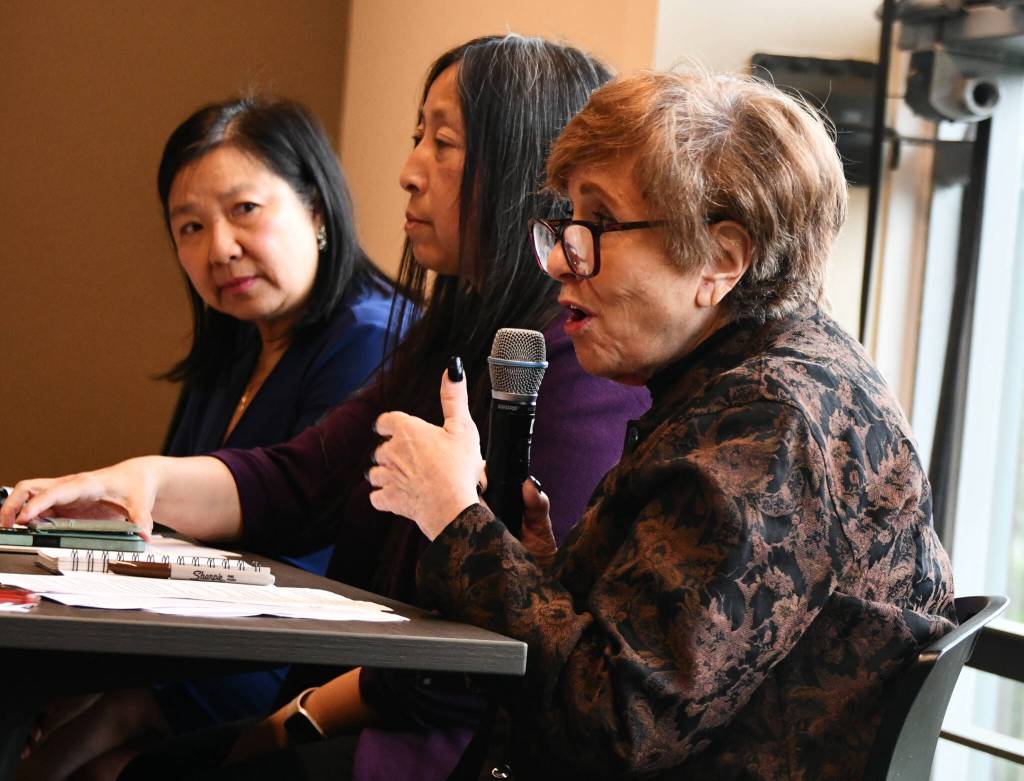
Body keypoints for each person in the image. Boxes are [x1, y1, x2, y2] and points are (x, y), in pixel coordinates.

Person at [4, 35, 651, 781]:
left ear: (523, 164)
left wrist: (299, 717)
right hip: (371, 694)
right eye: (417, 138)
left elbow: (497, 645)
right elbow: (299, 477)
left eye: (441, 143)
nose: (409, 172)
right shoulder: (444, 331)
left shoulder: (568, 357)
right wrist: (134, 482)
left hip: (452, 739)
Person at [364, 70, 958, 779]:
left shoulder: (770, 425)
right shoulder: (771, 378)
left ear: (721, 260)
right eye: (564, 222)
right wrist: (546, 568)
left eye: (598, 225)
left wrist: (455, 516)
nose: (560, 257)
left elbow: (614, 729)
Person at [16, 96, 397, 780]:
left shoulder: (371, 338)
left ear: (315, 208)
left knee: (83, 736)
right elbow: (168, 518)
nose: (218, 247)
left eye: (244, 210)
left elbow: (309, 548)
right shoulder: (233, 351)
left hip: (289, 650)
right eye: (190, 226)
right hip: (188, 631)